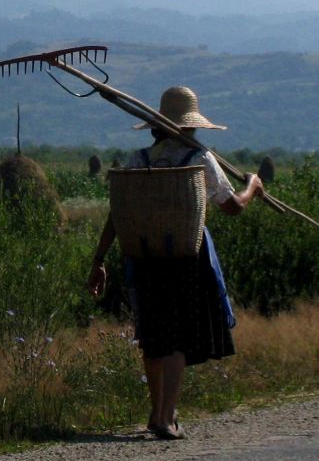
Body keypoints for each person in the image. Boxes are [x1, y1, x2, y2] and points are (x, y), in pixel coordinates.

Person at [85, 86, 264, 440]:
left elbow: (119, 214)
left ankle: (156, 413)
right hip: (185, 256)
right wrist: (253, 188)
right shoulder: (200, 159)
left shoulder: (140, 160)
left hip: (146, 256)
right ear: (190, 126)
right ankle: (166, 418)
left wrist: (99, 259)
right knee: (177, 337)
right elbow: (233, 207)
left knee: (154, 336)